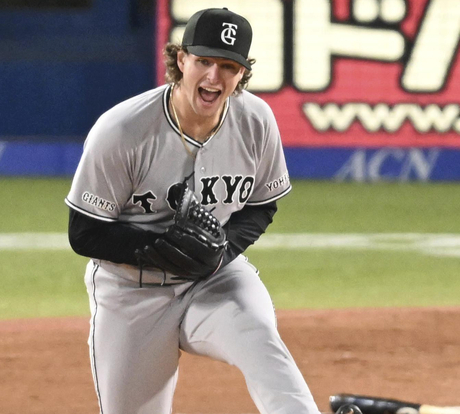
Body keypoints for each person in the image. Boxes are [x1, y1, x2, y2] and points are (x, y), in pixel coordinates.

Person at [65, 7, 321, 414]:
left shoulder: (255, 120)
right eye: (204, 61)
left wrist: (222, 251)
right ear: (181, 60)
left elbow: (261, 205)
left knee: (261, 341)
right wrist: (157, 249)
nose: (214, 77)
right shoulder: (123, 130)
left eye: (228, 66)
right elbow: (84, 232)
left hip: (215, 279)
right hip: (132, 291)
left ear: (242, 73)